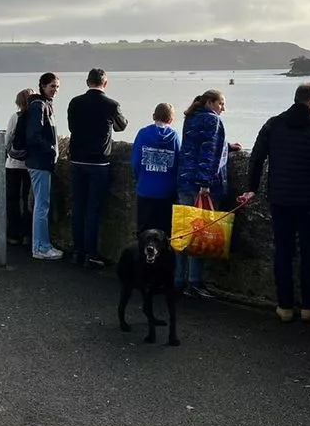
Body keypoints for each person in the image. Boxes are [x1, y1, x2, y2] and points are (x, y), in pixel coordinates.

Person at [240, 83, 310, 322]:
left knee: (283, 252)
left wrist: (252, 189)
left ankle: (284, 307)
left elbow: (256, 159)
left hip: (280, 199)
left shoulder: (273, 124)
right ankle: (309, 307)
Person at [175, 89, 240, 298]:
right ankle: (194, 283)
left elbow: (196, 146)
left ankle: (178, 280)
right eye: (221, 103)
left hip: (185, 180)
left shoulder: (191, 118)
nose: (224, 108)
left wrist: (227, 147)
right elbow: (208, 152)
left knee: (183, 234)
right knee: (199, 235)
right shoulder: (213, 121)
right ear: (211, 102)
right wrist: (204, 183)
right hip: (201, 185)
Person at [65, 68, 129, 268]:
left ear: (87, 82)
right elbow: (122, 126)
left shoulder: (75, 102)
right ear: (105, 83)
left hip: (77, 161)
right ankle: (91, 254)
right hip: (98, 163)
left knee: (78, 207)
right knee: (93, 209)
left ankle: (77, 251)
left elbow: (71, 127)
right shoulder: (111, 104)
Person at [24, 73, 63, 260]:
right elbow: (33, 135)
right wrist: (50, 149)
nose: (55, 90)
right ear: (42, 86)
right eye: (52, 86)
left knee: (41, 204)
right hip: (39, 162)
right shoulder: (39, 106)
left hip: (40, 162)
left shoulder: (43, 104)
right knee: (42, 206)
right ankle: (40, 247)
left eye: (56, 87)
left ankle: (41, 245)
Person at [131, 103, 181, 234]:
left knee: (143, 231)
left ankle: (144, 254)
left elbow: (136, 161)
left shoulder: (143, 134)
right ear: (171, 120)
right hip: (167, 191)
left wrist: (140, 179)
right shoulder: (174, 136)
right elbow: (178, 163)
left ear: (153, 116)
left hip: (146, 189)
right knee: (164, 232)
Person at [4, 88, 36, 247]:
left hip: (13, 164)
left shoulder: (15, 117)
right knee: (28, 200)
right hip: (30, 165)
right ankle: (28, 235)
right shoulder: (36, 118)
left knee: (12, 199)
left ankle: (13, 233)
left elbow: (7, 140)